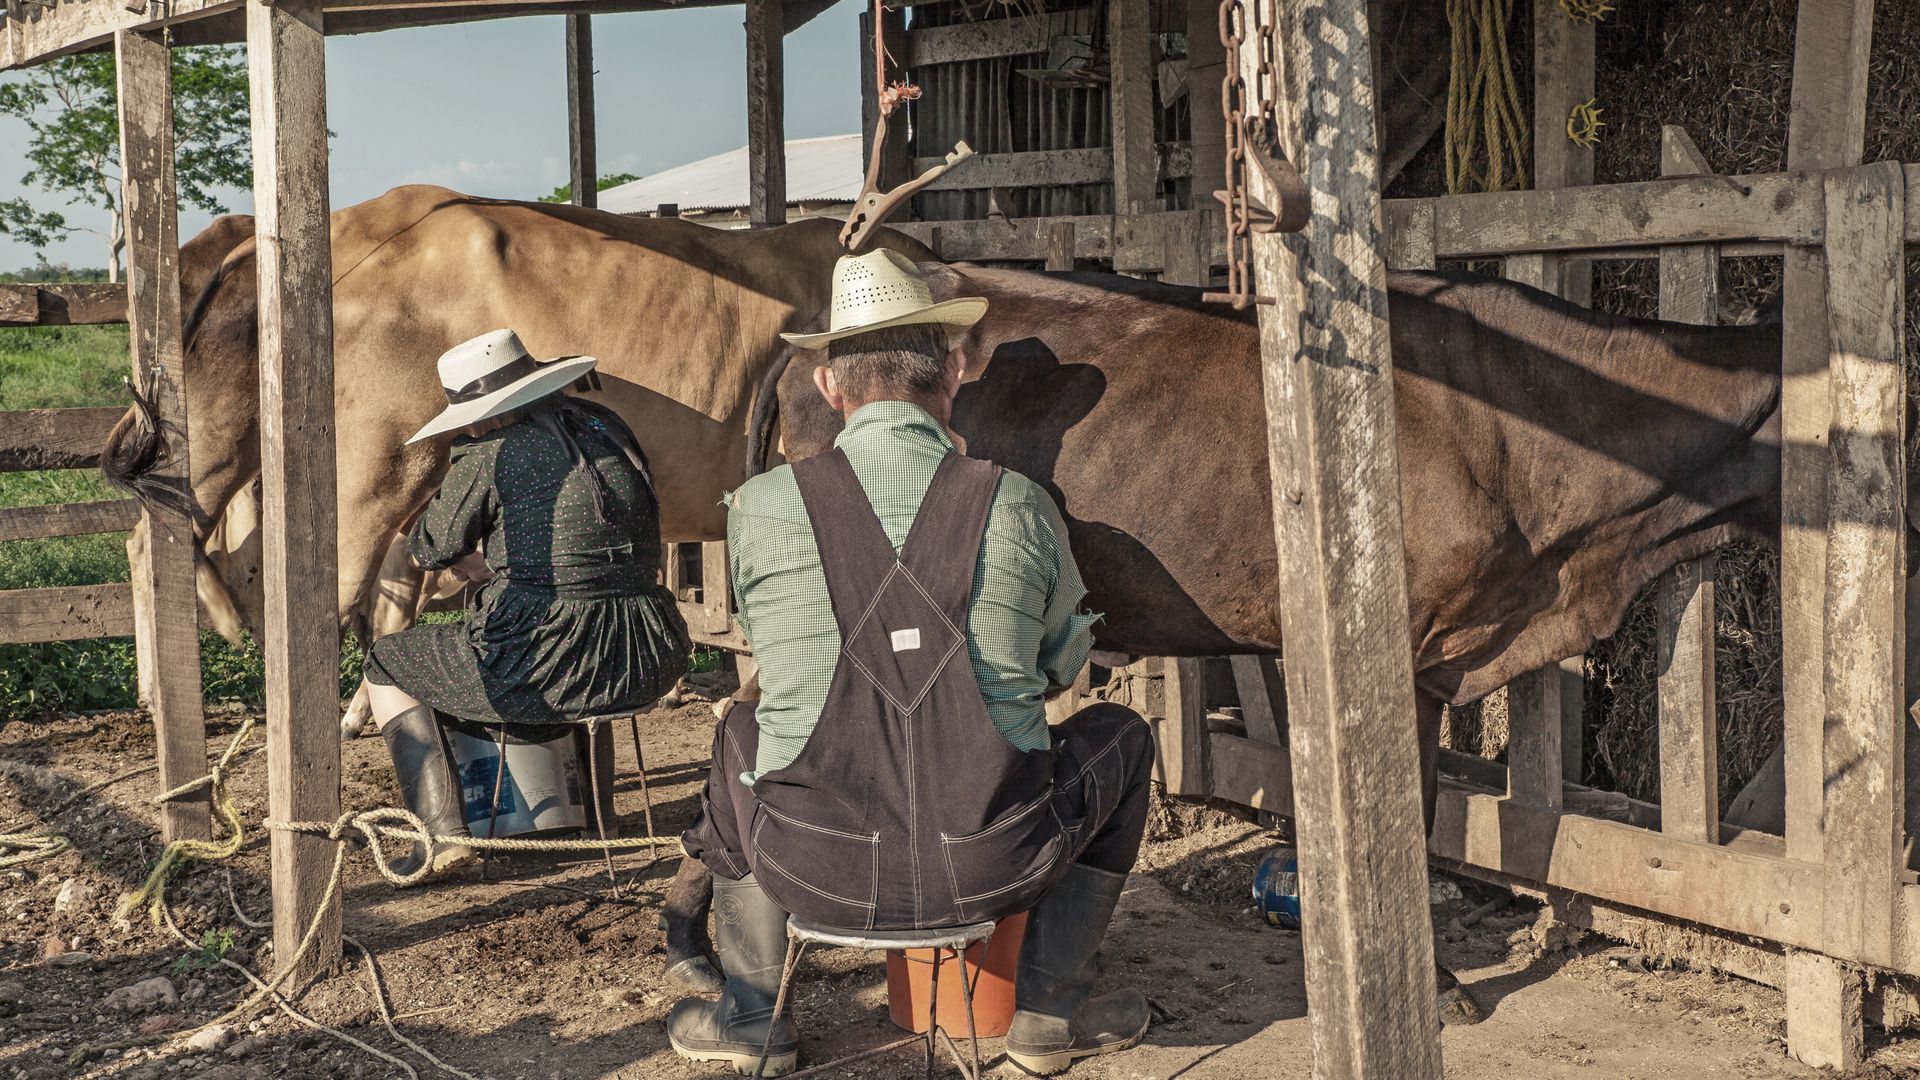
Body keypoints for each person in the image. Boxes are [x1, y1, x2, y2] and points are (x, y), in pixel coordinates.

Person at [668, 250, 1157, 1077]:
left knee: (741, 731)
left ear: (829, 387)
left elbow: (775, 656)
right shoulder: (1020, 504)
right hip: (995, 864)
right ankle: (1048, 1011)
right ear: (956, 369)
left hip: (810, 867)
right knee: (1124, 736)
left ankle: (753, 1019)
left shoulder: (758, 509)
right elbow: (1061, 668)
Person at [362, 329, 690, 879]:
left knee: (386, 663)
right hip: (649, 649)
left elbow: (431, 547)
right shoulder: (604, 425)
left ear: (486, 413)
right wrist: (503, 564)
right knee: (583, 635)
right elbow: (589, 547)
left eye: (467, 418)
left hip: (547, 661)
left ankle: (442, 839)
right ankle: (599, 815)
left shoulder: (491, 450)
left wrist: (470, 552)